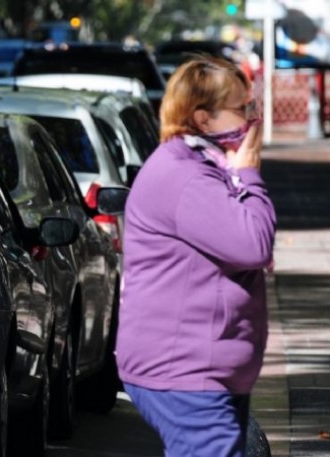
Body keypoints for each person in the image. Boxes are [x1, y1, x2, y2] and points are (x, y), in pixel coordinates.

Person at [116, 56, 276, 457]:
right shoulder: (185, 176)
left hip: (206, 366)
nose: (252, 119)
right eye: (242, 109)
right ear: (203, 119)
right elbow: (254, 244)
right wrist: (251, 172)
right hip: (185, 369)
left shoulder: (203, 165)